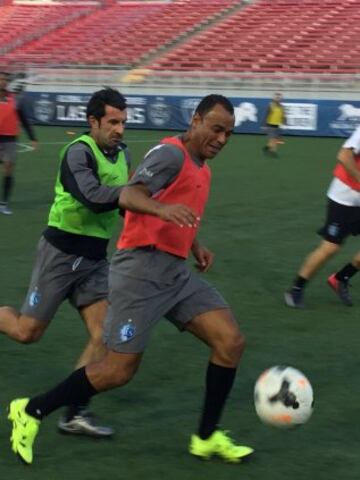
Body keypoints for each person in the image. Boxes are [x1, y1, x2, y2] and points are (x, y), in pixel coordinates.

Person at [7, 94, 254, 465]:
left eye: (228, 134)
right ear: (196, 121)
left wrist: (195, 245)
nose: (221, 139)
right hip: (139, 271)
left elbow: (173, 214)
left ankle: (206, 437)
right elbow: (134, 195)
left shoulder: (202, 167)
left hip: (173, 272)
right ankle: (31, 410)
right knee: (117, 370)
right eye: (216, 129)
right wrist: (162, 208)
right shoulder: (169, 154)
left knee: (230, 341)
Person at [1, 87, 130, 437]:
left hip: (94, 259)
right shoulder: (78, 152)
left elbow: (126, 203)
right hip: (61, 255)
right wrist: (133, 195)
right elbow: (92, 197)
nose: (119, 129)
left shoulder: (122, 155)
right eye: (113, 122)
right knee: (27, 332)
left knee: (104, 336)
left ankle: (73, 412)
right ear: (93, 121)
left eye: (123, 122)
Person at [284, 125, 360, 308]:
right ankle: (296, 289)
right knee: (330, 248)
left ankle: (341, 278)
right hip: (344, 197)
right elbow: (343, 156)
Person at [0, 71, 38, 215]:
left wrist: (32, 137)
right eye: (0, 79)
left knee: (8, 169)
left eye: (4, 79)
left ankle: (4, 203)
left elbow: (23, 119)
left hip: (9, 140)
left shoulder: (15, 99)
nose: (2, 81)